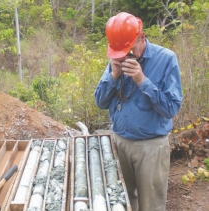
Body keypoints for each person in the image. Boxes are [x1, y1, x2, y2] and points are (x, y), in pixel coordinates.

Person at [94, 12, 183, 211]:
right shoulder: (116, 59)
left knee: (150, 206)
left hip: (150, 147)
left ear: (141, 38)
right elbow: (100, 101)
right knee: (122, 203)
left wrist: (142, 81)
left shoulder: (166, 59)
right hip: (119, 143)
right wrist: (113, 75)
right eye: (120, 53)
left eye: (129, 50)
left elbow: (171, 108)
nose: (125, 56)